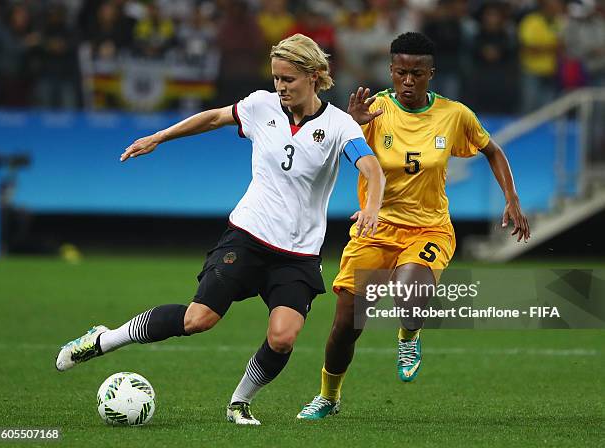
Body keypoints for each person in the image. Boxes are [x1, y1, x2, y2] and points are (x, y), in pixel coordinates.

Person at [55, 33, 385, 426]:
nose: (280, 87)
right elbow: (213, 117)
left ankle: (239, 402)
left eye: (289, 80)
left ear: (315, 76)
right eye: (276, 78)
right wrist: (159, 137)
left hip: (298, 253)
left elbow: (370, 167)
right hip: (247, 236)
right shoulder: (262, 105)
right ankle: (104, 339)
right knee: (199, 320)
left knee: (283, 337)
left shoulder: (338, 124)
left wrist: (372, 207)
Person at [297, 32, 530, 419]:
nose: (408, 81)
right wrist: (349, 127)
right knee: (345, 325)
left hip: (429, 229)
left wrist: (512, 198)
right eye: (401, 72)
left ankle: (409, 335)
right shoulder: (372, 111)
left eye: (417, 74)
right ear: (390, 71)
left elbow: (492, 150)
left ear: (431, 74)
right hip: (376, 228)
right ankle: (329, 397)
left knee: (409, 289)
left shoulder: (454, 115)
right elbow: (327, 156)